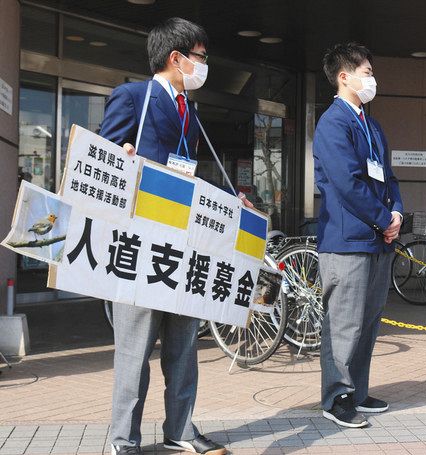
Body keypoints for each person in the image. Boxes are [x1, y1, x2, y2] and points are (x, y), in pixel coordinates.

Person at [99, 17, 236, 455]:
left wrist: (233, 203)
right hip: (139, 245)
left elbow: (190, 177)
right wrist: (118, 155)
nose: (203, 65)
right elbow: (104, 157)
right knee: (134, 351)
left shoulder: (189, 112)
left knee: (183, 347)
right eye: (200, 57)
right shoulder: (133, 97)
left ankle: (180, 430)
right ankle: (125, 439)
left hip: (182, 247)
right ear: (176, 58)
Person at [313, 42, 403, 428]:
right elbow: (347, 184)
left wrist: (395, 212)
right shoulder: (333, 123)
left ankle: (359, 391)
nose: (372, 78)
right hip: (347, 240)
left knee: (368, 320)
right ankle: (336, 397)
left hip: (377, 237)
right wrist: (385, 219)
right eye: (366, 72)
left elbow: (389, 175)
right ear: (343, 77)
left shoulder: (371, 124)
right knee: (343, 323)